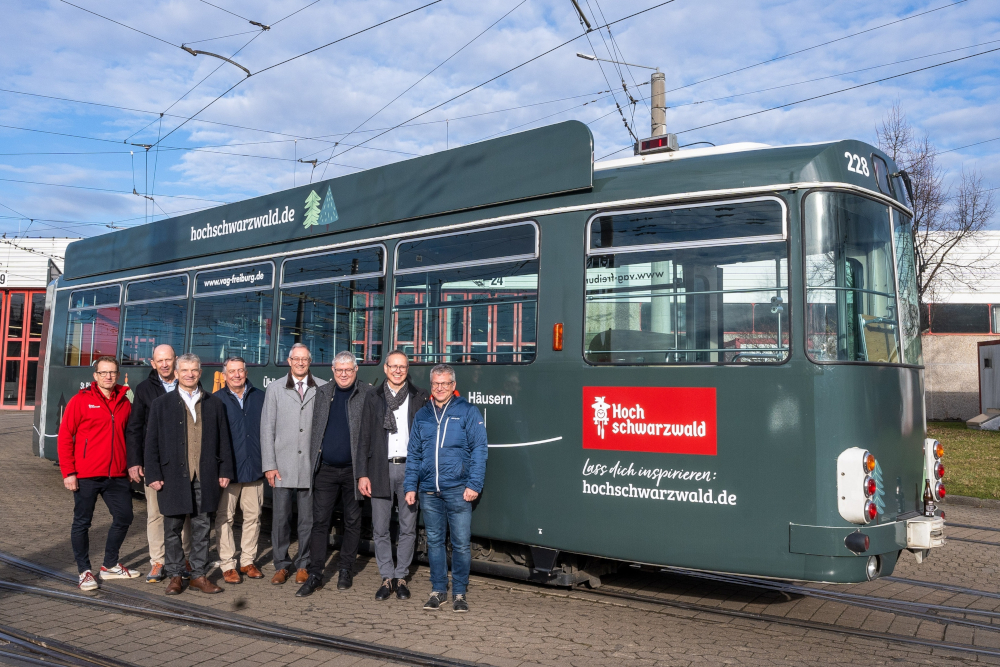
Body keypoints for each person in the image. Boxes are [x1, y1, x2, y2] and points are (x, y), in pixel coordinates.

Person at [144, 353, 234, 595]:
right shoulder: (161, 404)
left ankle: (198, 575)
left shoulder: (214, 403)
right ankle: (174, 576)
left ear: (200, 372)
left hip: (205, 475)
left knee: (202, 527)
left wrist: (225, 469)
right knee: (172, 528)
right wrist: (152, 473)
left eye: (194, 370)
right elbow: (151, 442)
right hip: (171, 475)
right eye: (184, 370)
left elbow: (223, 439)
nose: (189, 374)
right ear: (176, 373)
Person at [405, 364, 487, 613]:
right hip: (429, 491)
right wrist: (411, 485)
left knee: (461, 544)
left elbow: (480, 450)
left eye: (445, 383)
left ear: (453, 385)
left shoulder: (468, 411)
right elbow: (414, 454)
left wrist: (474, 484)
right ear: (431, 386)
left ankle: (459, 593)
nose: (440, 388)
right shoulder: (423, 415)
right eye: (435, 384)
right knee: (435, 542)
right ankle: (438, 590)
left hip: (458, 490)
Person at [58, 356, 139, 590]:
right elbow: (65, 437)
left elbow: (131, 436)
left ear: (117, 374)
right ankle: (84, 571)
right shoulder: (80, 401)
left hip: (117, 474)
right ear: (95, 376)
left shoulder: (125, 402)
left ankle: (110, 565)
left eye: (112, 372)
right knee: (82, 523)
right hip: (86, 474)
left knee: (124, 517)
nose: (108, 376)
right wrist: (69, 472)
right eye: (103, 373)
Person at [296, 351, 372, 597]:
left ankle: (345, 569)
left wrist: (364, 471)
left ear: (356, 370)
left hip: (354, 471)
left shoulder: (366, 393)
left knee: (352, 522)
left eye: (348, 370)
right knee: (320, 523)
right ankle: (315, 573)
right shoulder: (322, 393)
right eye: (339, 370)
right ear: (332, 370)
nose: (343, 374)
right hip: (326, 470)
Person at [357, 350, 428, 601]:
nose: (398, 370)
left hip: (409, 469)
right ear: (385, 369)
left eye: (403, 367)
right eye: (393, 366)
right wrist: (362, 474)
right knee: (380, 527)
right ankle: (386, 577)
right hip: (379, 468)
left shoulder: (419, 396)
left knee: (408, 528)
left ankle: (401, 577)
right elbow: (364, 436)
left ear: (407, 370)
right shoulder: (373, 396)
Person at [124, 344, 191, 584]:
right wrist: (134, 462)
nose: (164, 364)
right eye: (159, 360)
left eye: (168, 360)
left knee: (184, 512)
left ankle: (183, 558)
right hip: (155, 462)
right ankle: (158, 561)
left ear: (175, 360)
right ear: (152, 363)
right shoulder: (144, 389)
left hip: (183, 462)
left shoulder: (189, 384)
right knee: (155, 514)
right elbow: (134, 429)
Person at [261, 343, 326, 586]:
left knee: (307, 519)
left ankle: (303, 564)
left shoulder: (321, 387)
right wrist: (269, 464)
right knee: (280, 518)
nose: (300, 363)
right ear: (289, 361)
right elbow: (267, 428)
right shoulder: (276, 389)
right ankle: (281, 564)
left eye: (305, 359)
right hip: (282, 466)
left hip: (310, 466)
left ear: (310, 362)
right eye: (296, 359)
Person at [214, 356, 266, 584]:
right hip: (228, 471)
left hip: (254, 467)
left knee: (253, 517)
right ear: (224, 375)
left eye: (240, 371)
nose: (236, 375)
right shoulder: (215, 400)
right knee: (225, 518)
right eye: (232, 371)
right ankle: (227, 564)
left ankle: (247, 561)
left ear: (246, 372)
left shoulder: (260, 397)